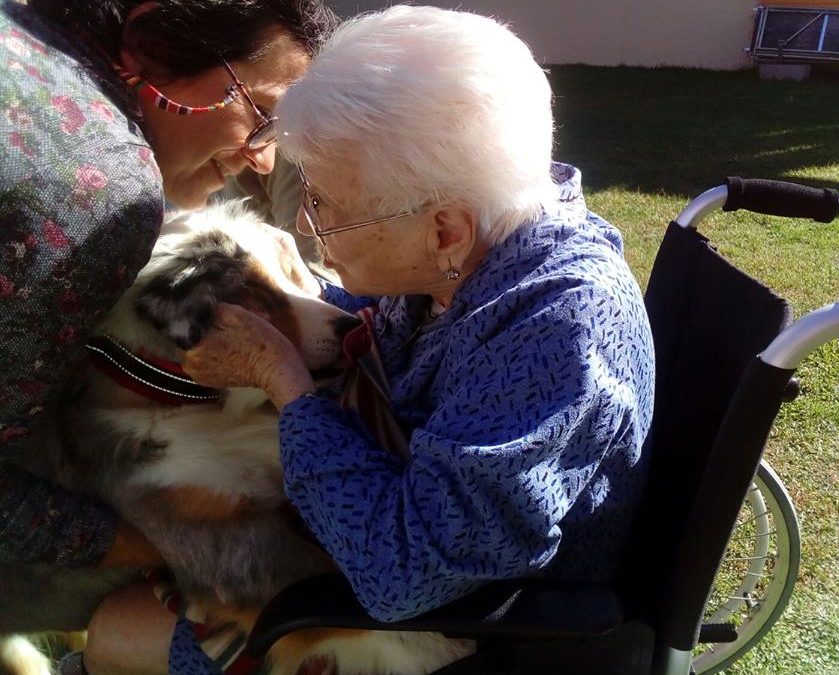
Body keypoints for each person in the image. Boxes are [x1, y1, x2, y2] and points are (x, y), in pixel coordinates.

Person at [90, 6, 656, 674]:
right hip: (386, 556)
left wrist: (287, 384)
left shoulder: (556, 331)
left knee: (113, 632)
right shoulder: (478, 239)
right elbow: (366, 318)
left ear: (444, 229)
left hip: (467, 635)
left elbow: (404, 576)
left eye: (328, 206)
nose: (307, 221)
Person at [0, 0, 335, 658]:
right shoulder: (102, 191)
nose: (265, 161)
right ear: (156, 45)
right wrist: (172, 531)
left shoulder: (28, 27)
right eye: (262, 113)